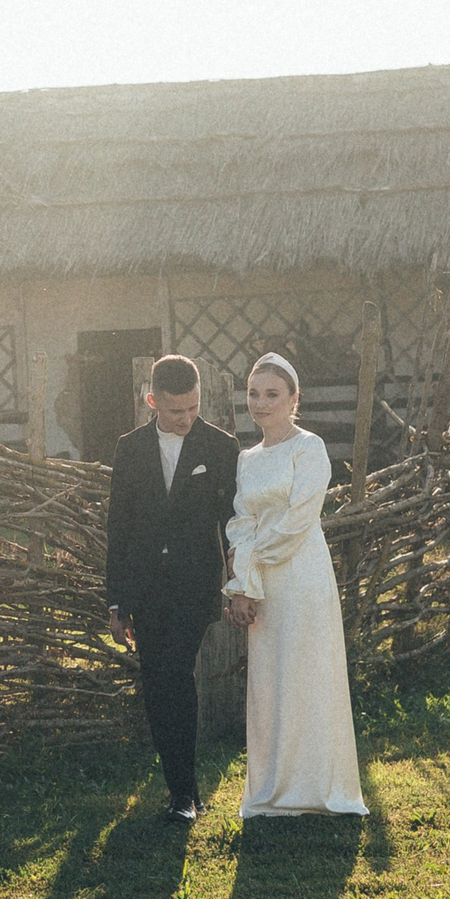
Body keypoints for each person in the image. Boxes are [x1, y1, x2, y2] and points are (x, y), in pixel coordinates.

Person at [221, 352, 368, 818]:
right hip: (260, 579)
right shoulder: (246, 458)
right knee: (270, 679)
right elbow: (241, 521)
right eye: (253, 393)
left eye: (272, 394)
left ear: (293, 399)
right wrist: (243, 582)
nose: (260, 403)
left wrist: (251, 568)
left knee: (308, 672)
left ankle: (317, 788)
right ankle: (272, 789)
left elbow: (298, 519)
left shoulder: (311, 448)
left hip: (300, 574)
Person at [104, 354, 241, 822]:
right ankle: (178, 787)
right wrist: (117, 601)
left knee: (176, 678)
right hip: (145, 589)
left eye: (193, 408)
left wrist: (238, 581)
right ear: (152, 401)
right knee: (156, 685)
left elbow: (232, 524)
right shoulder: (129, 448)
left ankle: (184, 795)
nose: (186, 419)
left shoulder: (221, 447)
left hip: (192, 586)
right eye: (175, 411)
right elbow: (118, 527)